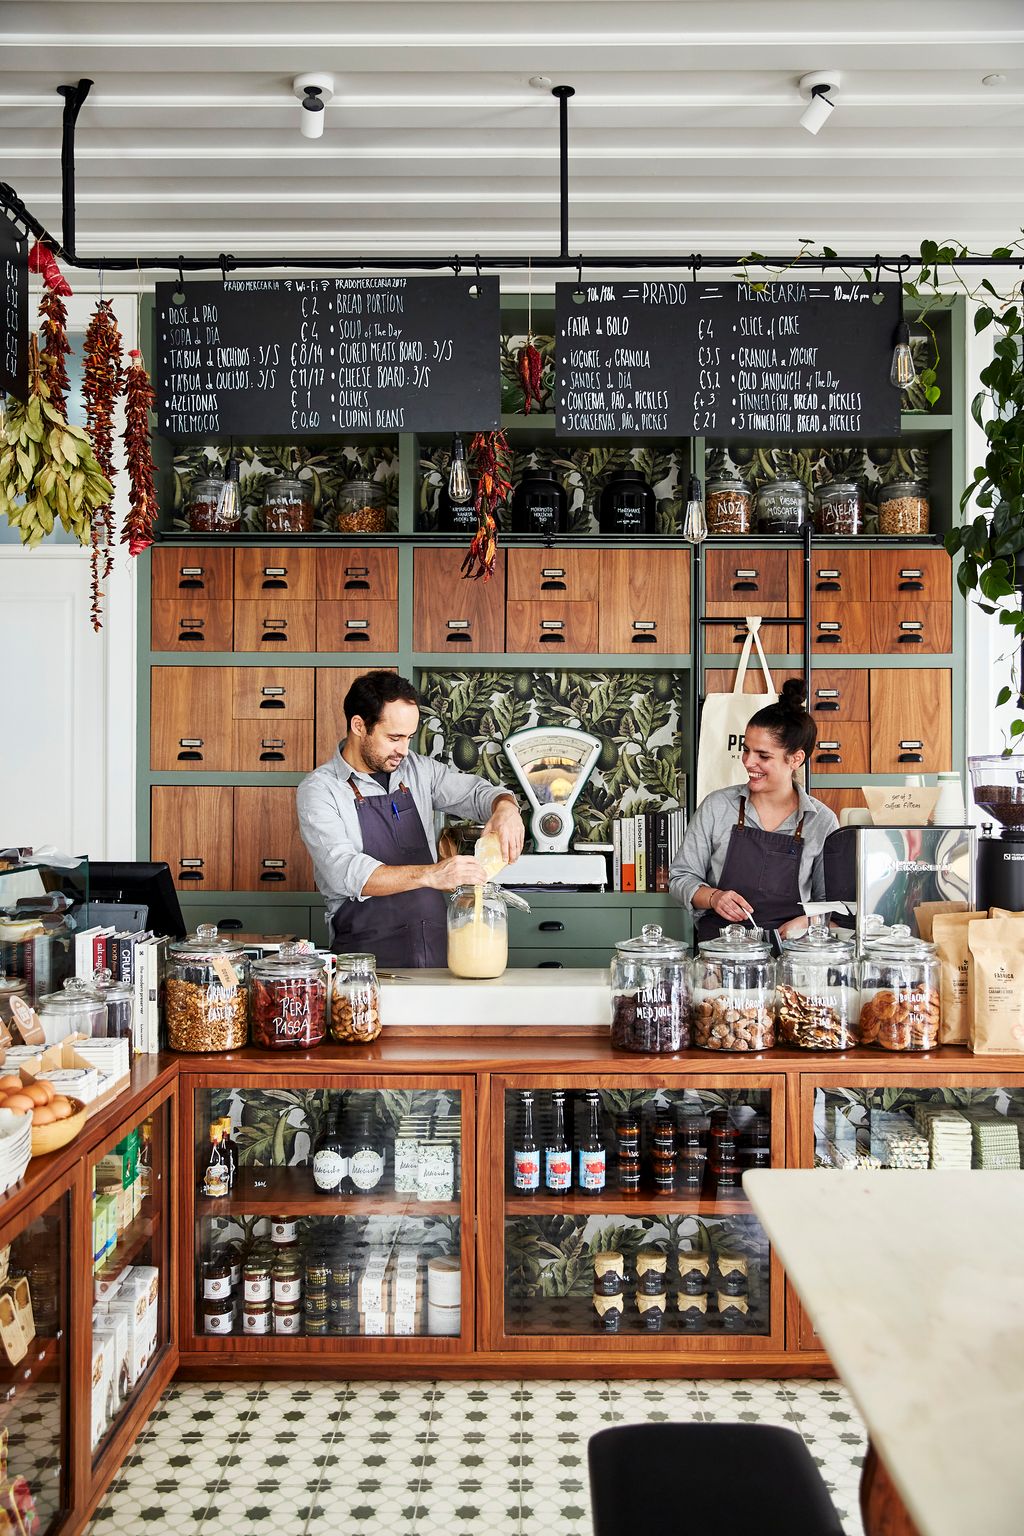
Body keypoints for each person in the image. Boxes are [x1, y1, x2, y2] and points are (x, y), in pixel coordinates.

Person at [296, 671, 525, 966]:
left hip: (435, 950)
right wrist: (431, 874)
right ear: (359, 726)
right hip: (365, 962)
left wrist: (505, 807)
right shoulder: (320, 789)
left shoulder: (417, 770)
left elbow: (476, 794)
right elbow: (344, 871)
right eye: (394, 738)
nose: (404, 750)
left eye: (409, 738)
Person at [669, 680, 838, 941]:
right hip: (720, 951)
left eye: (763, 755)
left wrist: (808, 921)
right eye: (746, 750)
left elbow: (833, 905)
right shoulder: (717, 806)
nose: (748, 762)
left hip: (792, 954)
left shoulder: (821, 821)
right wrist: (715, 898)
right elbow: (681, 878)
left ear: (796, 759)